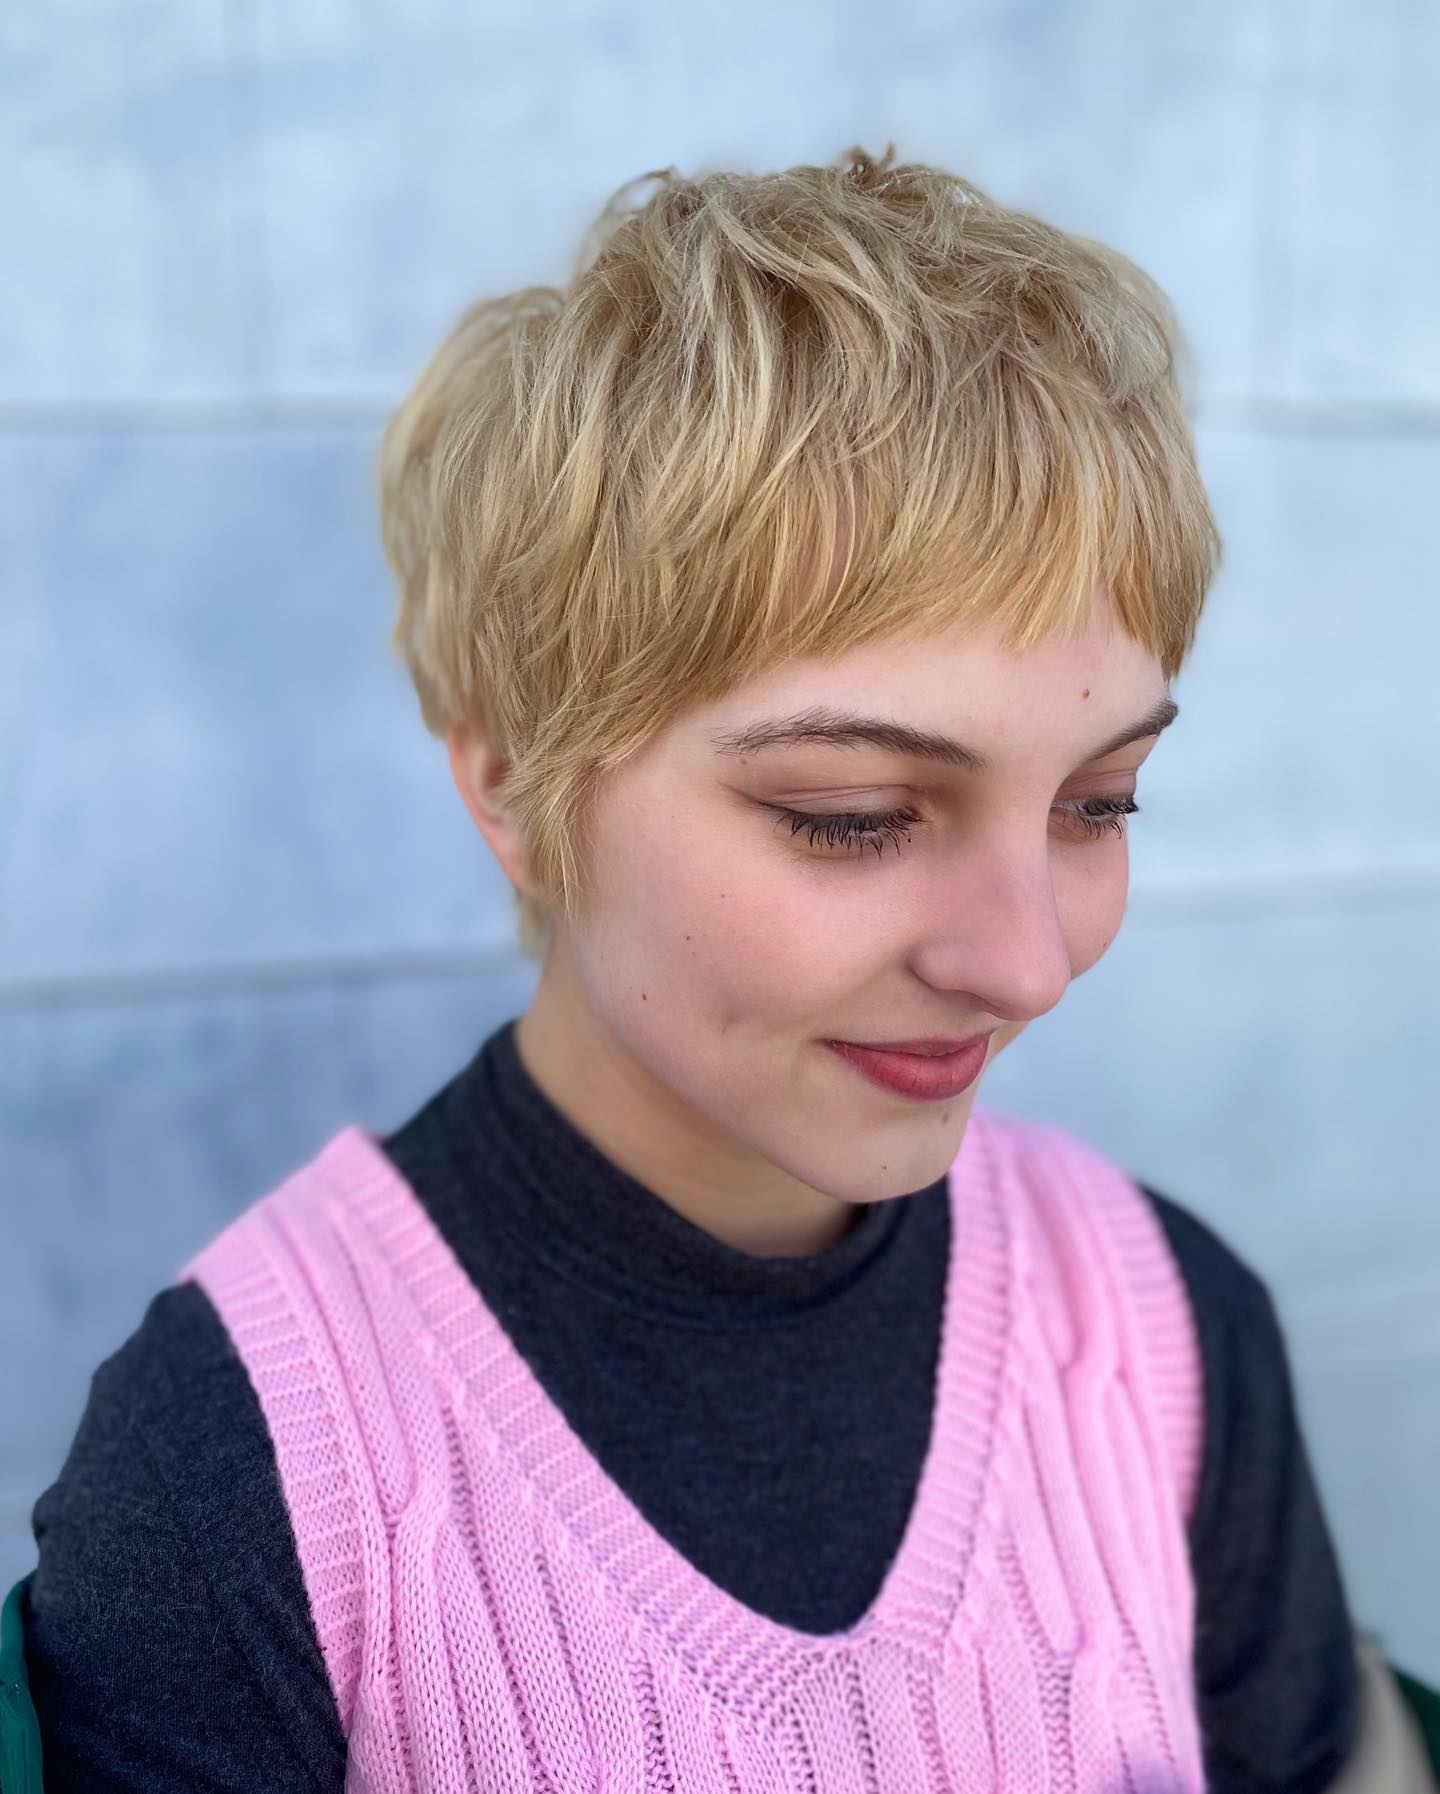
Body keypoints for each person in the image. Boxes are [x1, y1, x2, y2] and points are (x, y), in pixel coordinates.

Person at [21, 144, 1428, 1792]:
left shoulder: (1163, 1329)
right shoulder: (238, 1463)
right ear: (512, 786)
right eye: (854, 814)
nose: (1027, 962)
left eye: (1098, 800)